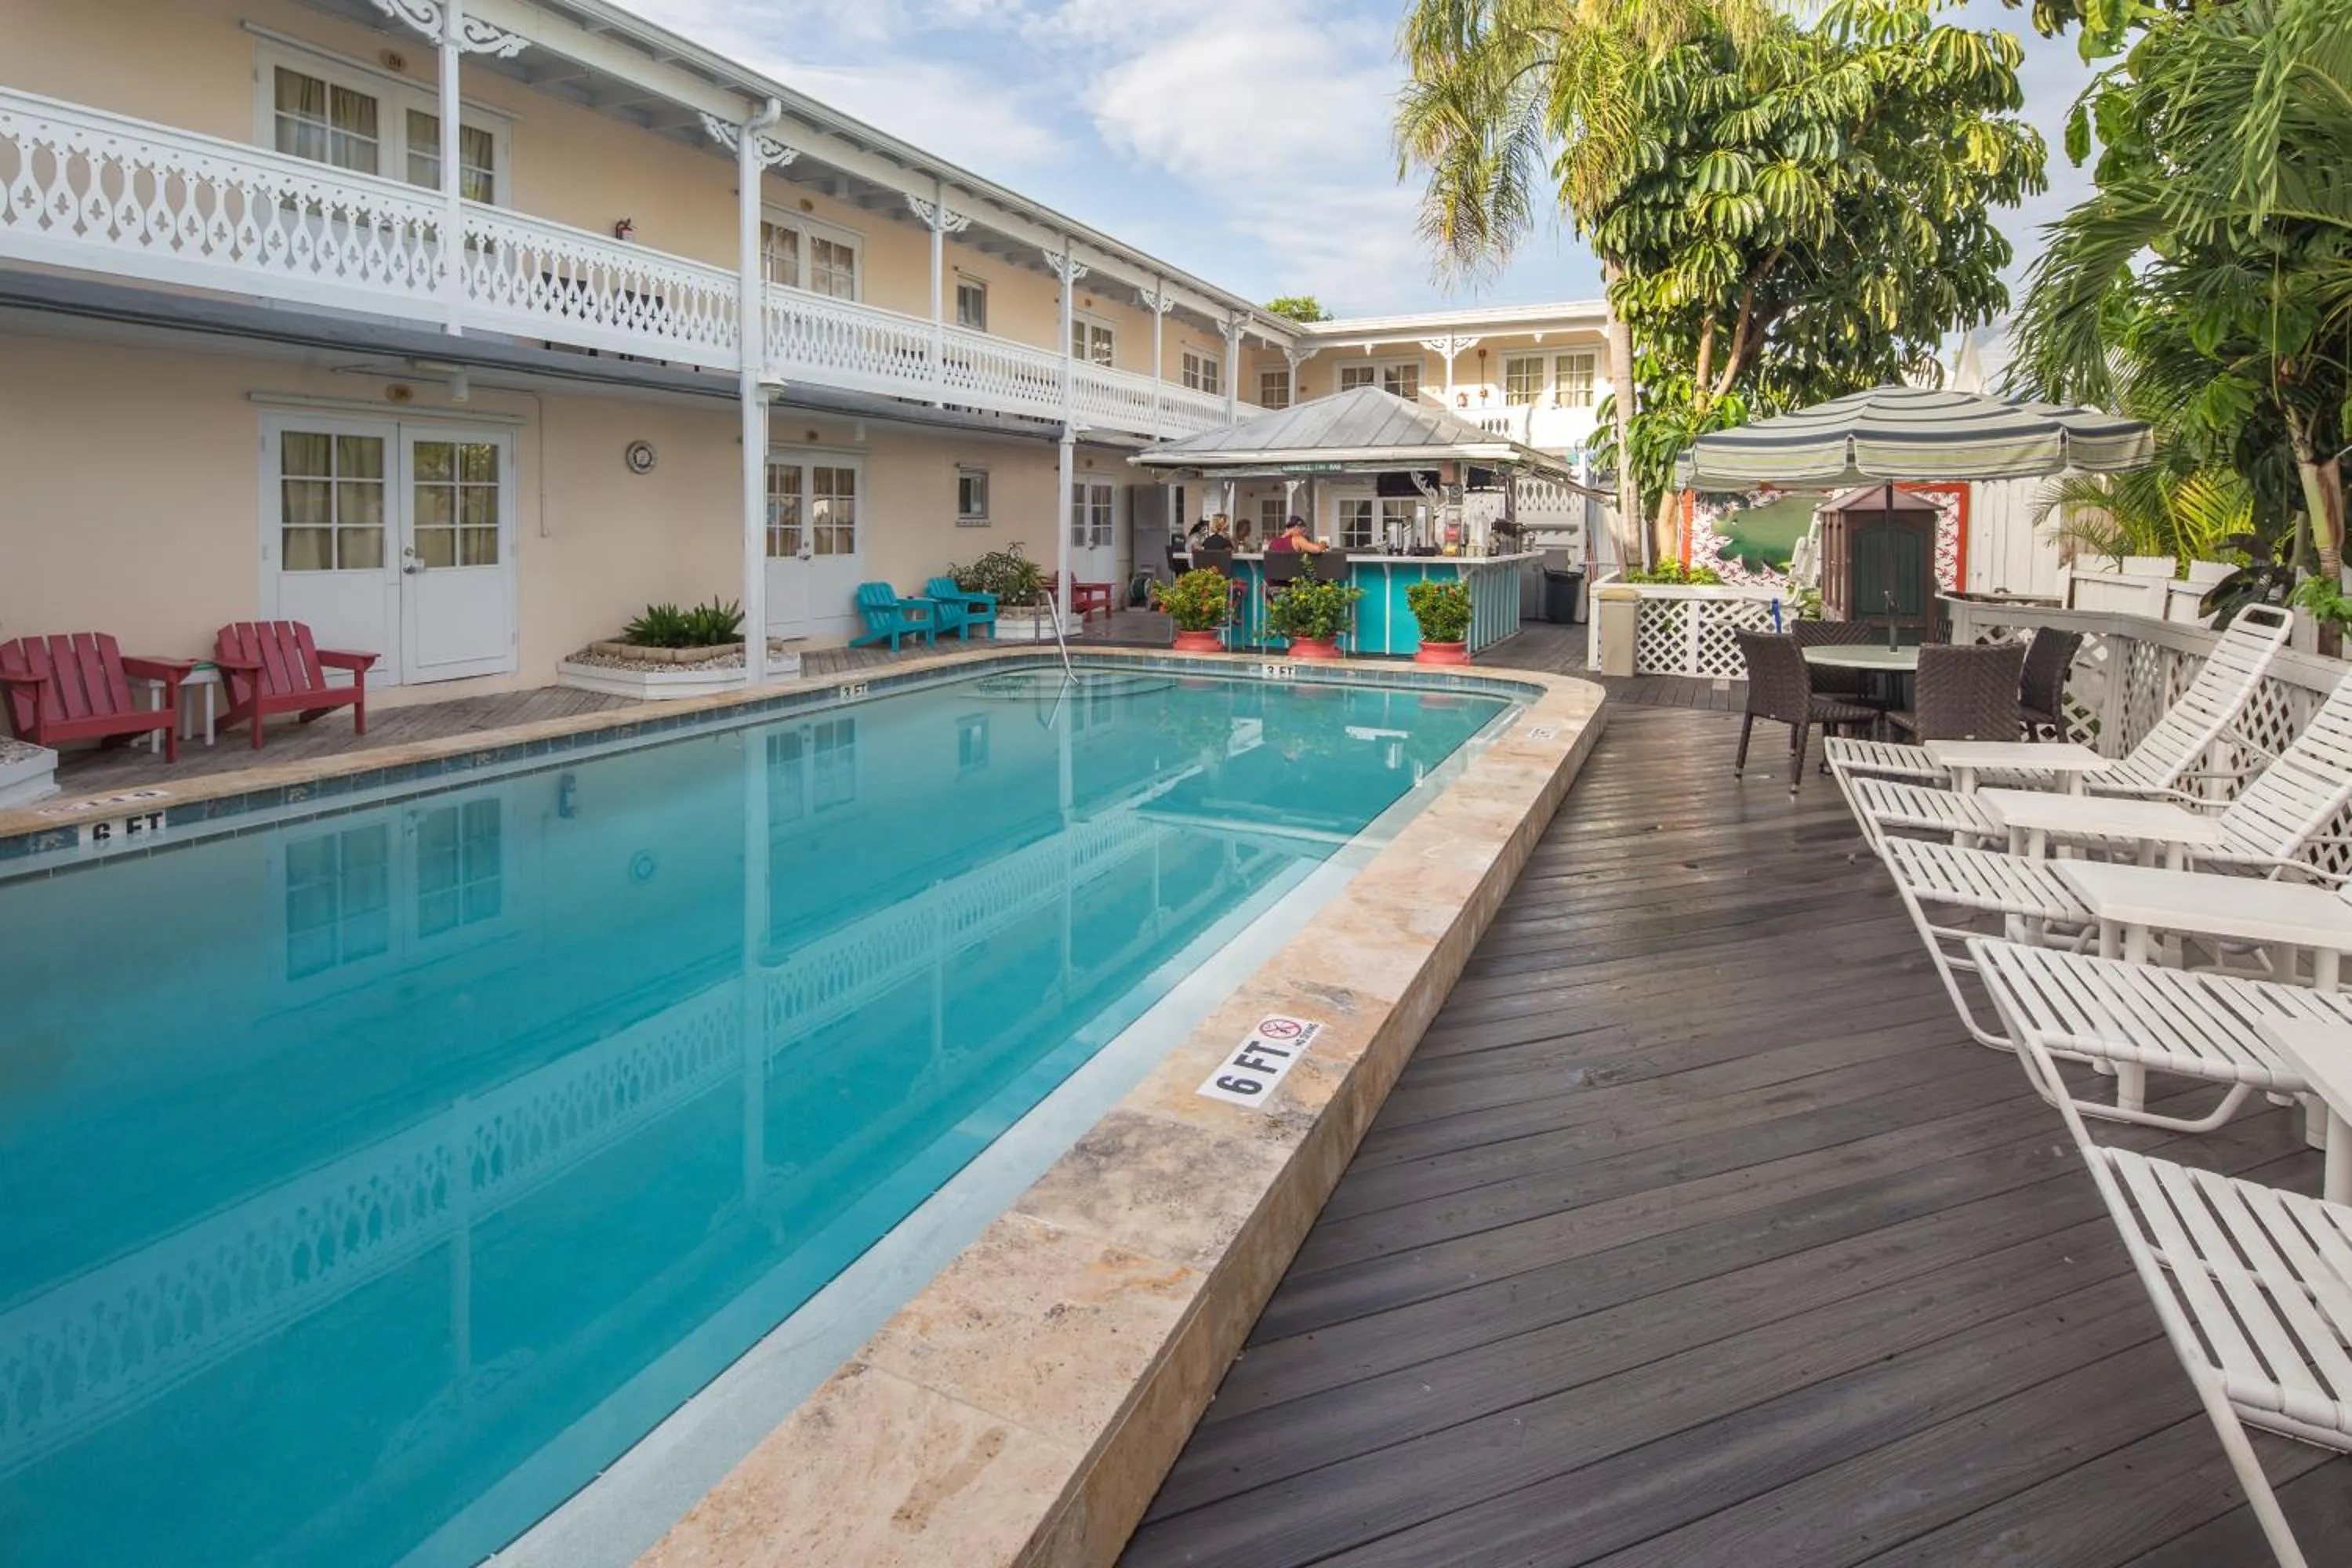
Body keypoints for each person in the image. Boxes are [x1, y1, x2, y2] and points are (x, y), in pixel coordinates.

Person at [1265, 517, 1329, 555]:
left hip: (1274, 574)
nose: (1304, 534)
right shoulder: (1298, 539)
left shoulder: (1273, 542)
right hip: (1291, 574)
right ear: (1297, 528)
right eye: (1303, 531)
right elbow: (1317, 549)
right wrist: (1323, 544)